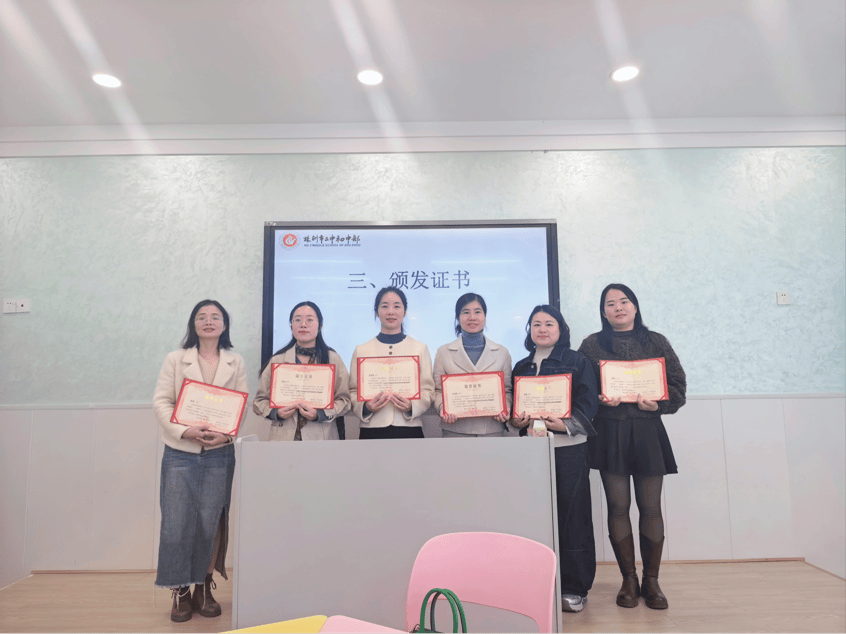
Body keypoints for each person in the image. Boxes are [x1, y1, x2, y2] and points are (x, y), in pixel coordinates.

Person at [578, 283, 686, 610]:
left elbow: (678, 387)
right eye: (610, 303)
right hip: (610, 432)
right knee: (618, 507)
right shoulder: (592, 345)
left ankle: (652, 581)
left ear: (635, 307)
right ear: (603, 311)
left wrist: (659, 404)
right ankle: (629, 579)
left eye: (624, 301)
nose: (618, 308)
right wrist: (599, 400)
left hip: (648, 430)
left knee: (651, 508)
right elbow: (582, 390)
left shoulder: (656, 341)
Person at [152, 300, 247, 622]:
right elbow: (161, 402)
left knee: (211, 522)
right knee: (176, 522)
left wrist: (226, 436)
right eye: (202, 317)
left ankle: (203, 587)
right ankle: (179, 589)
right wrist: (185, 430)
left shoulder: (235, 361)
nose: (209, 321)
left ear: (224, 325)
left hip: (220, 453)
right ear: (193, 324)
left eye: (215, 317)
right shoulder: (175, 359)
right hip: (180, 452)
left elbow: (240, 406)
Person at [511, 305, 599, 613]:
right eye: (536, 324)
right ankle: (538, 584)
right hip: (532, 451)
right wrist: (517, 421)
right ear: (529, 330)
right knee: (533, 516)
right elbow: (515, 413)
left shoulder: (577, 361)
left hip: (569, 448)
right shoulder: (521, 366)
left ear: (561, 329)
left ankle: (575, 588)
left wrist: (563, 424)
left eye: (549, 323)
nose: (542, 329)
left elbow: (588, 403)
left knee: (573, 517)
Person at [253, 301, 351, 440]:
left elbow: (345, 401)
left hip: (322, 437)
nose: (303, 325)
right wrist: (276, 413)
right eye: (297, 320)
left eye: (310, 320)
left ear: (320, 325)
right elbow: (259, 401)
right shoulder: (277, 360)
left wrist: (321, 413)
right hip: (283, 437)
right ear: (291, 325)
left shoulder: (333, 359)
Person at [349, 286, 434, 439]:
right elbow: (353, 391)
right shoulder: (362, 350)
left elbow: (428, 390)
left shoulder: (420, 348)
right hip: (372, 428)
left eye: (397, 306)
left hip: (409, 427)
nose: (391, 312)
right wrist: (366, 407)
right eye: (384, 306)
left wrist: (412, 406)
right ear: (376, 312)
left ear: (405, 311)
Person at [433, 293, 512, 437]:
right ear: (458, 318)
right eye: (466, 312)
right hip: (455, 430)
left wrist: (505, 407)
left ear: (485, 316)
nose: (472, 317)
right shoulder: (443, 352)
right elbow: (438, 391)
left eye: (477, 312)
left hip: (491, 430)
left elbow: (507, 391)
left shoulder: (502, 352)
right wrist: (443, 408)